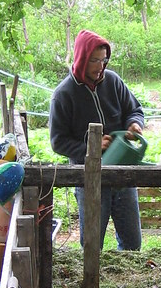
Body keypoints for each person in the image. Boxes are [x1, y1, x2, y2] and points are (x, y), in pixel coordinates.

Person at [49, 29, 144, 250]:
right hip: (89, 177)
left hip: (123, 172)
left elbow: (134, 109)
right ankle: (92, 282)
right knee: (92, 244)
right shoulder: (64, 94)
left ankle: (128, 279)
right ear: (81, 58)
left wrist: (134, 123)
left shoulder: (113, 81)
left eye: (104, 60)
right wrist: (90, 148)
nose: (100, 66)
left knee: (132, 242)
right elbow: (58, 141)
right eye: (94, 60)